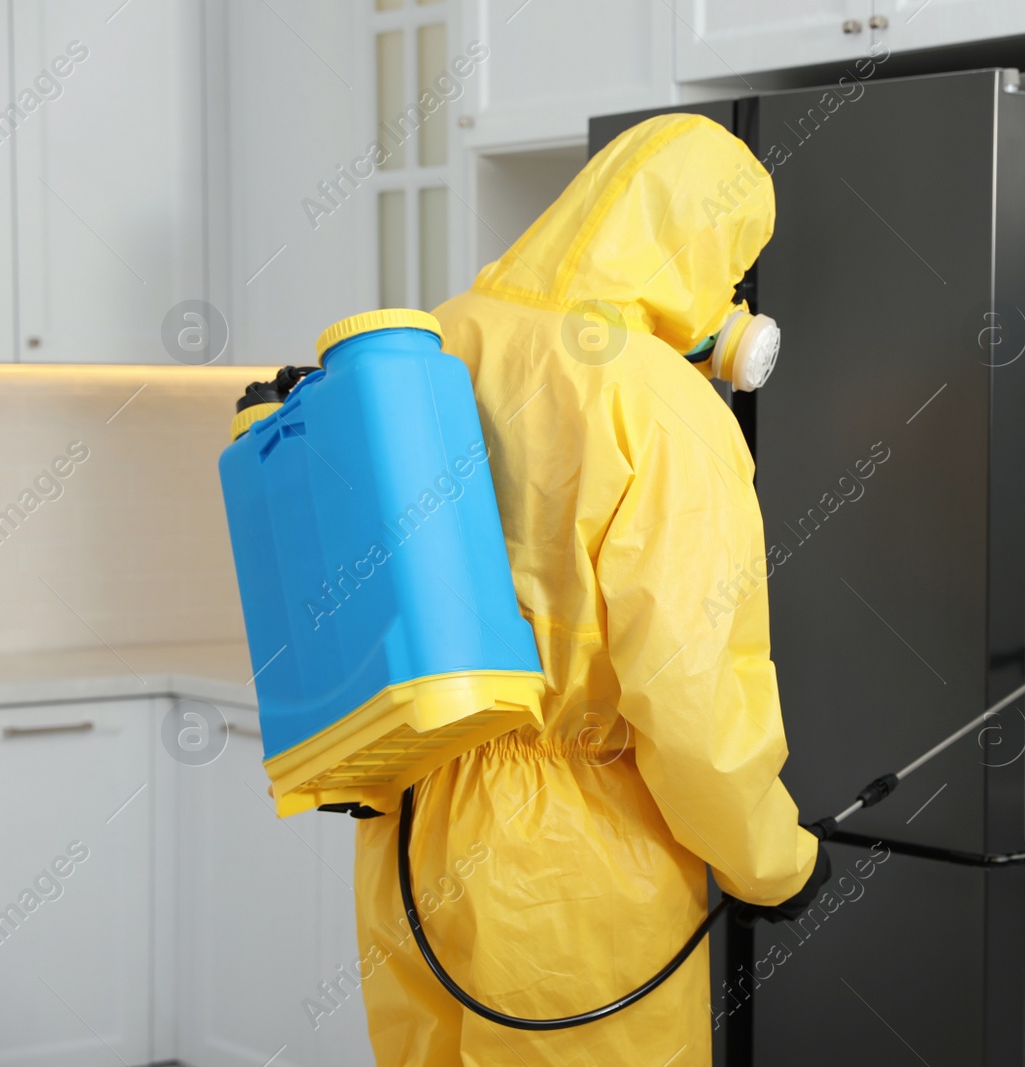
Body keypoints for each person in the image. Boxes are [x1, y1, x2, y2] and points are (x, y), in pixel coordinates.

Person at [351, 113, 828, 1066]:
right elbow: (686, 690)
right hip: (575, 865)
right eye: (731, 267)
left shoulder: (440, 334)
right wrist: (773, 860)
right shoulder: (659, 408)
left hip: (414, 817)